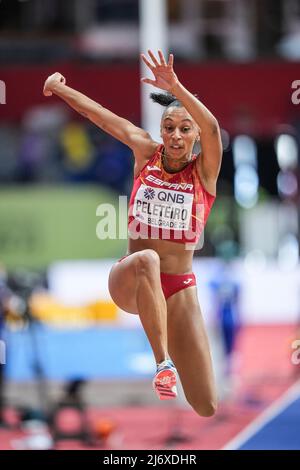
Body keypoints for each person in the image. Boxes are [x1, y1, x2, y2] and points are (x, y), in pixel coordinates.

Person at [43, 50, 222, 417]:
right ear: (160, 130)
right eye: (169, 127)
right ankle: (162, 365)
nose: (175, 136)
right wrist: (60, 89)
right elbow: (101, 117)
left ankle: (173, 366)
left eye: (185, 129)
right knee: (148, 258)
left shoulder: (204, 173)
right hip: (132, 277)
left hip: (178, 288)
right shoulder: (145, 152)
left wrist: (175, 87)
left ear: (195, 136)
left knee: (206, 404)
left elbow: (214, 128)